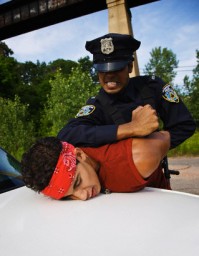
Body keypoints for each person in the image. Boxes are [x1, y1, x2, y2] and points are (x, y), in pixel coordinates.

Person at [58, 33, 196, 150]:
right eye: (103, 70)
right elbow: (66, 135)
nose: (109, 75)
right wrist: (131, 128)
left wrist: (153, 146)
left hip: (155, 174)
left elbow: (184, 125)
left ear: (129, 66)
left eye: (116, 68)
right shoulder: (97, 104)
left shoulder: (152, 87)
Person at [21, 130, 170, 201]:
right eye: (68, 197)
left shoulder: (137, 159)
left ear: (80, 155)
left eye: (78, 182)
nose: (82, 196)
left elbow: (164, 137)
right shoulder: (67, 149)